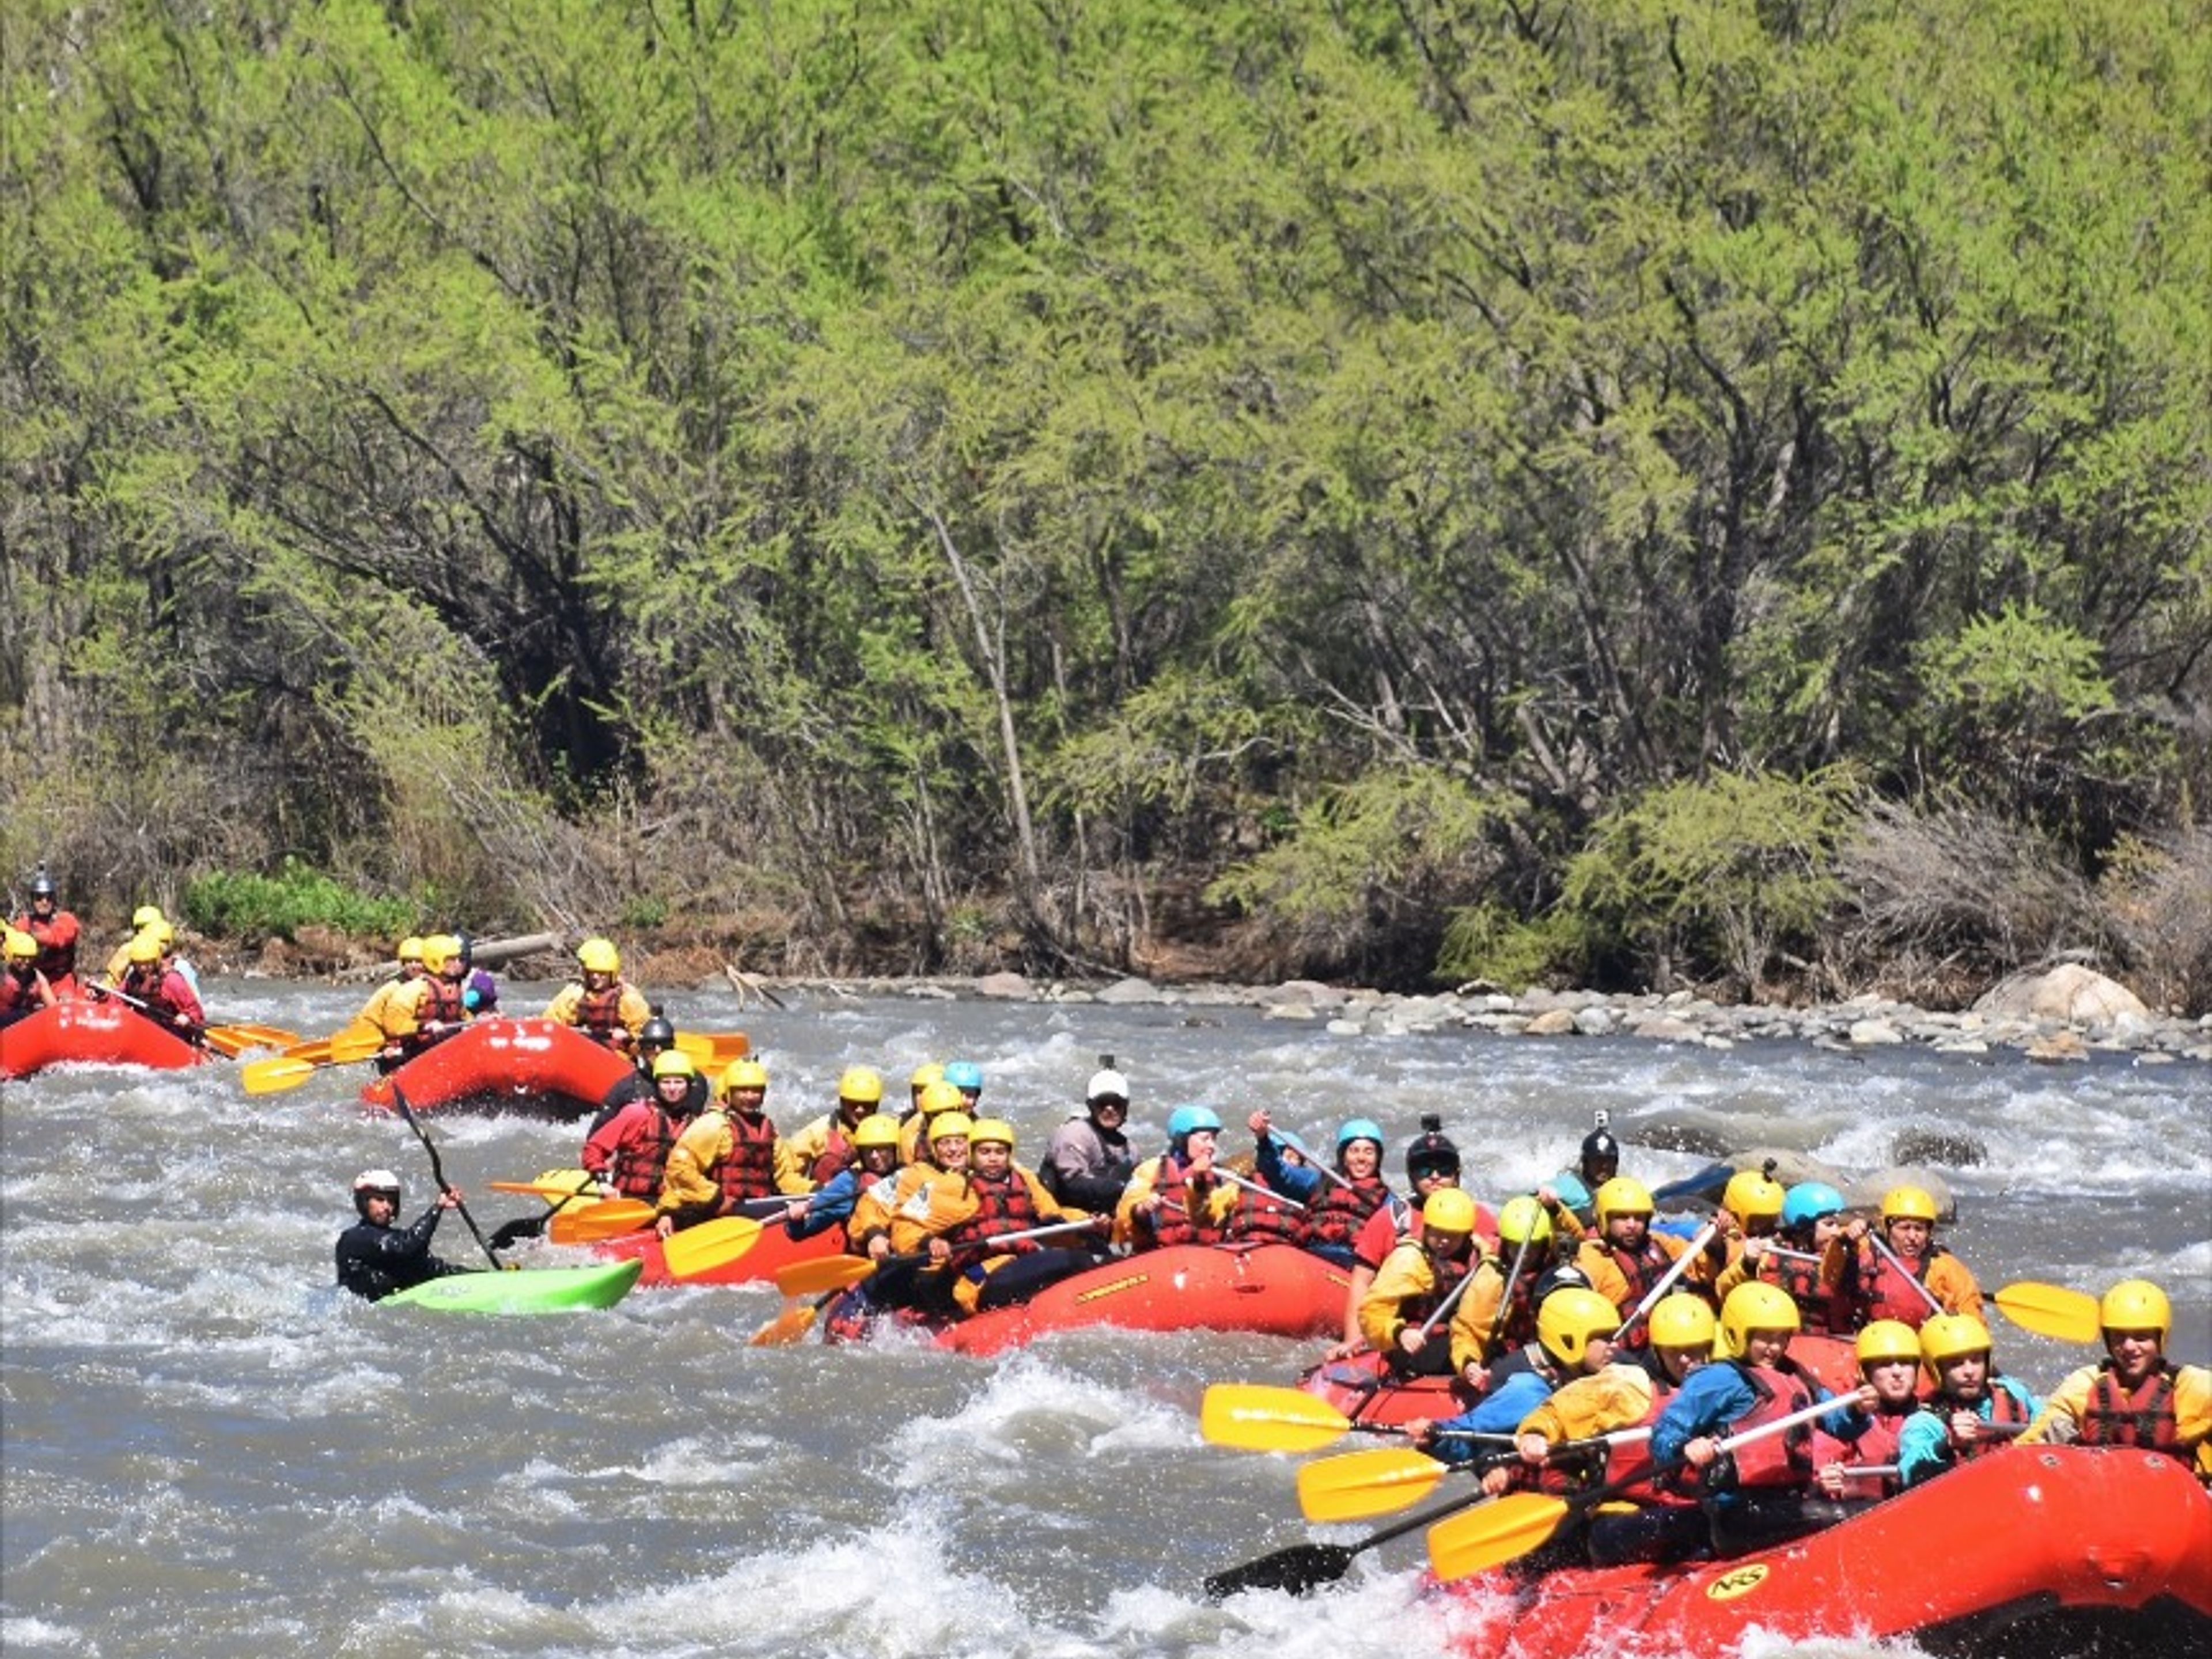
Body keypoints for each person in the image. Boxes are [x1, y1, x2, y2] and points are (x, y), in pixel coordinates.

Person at [1649, 1282, 1872, 1559]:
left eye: (1781, 1337)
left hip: (1791, 1501)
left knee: (1870, 1507)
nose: (1774, 1347)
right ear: (1737, 1334)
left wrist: (1858, 1409)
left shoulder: (1797, 1378)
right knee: (1851, 1515)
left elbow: (1840, 1423)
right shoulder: (1720, 1379)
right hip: (1738, 1514)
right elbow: (1665, 1430)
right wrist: (1685, 1446)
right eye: (1765, 1338)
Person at [1525, 1294, 1722, 1568]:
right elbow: (1557, 1411)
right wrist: (1535, 1434)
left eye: (1696, 1349)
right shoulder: (1626, 1384)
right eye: (1675, 1352)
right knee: (1694, 1523)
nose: (1687, 1360)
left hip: (1685, 1512)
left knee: (1717, 1520)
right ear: (1657, 1351)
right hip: (1620, 1520)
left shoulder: (1721, 1390)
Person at [1407, 1287, 1626, 1491]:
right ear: (1569, 1340)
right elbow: (1473, 1435)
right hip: (1538, 1486)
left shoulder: (1610, 1371)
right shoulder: (1528, 1390)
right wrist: (1437, 1436)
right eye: (1605, 1338)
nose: (1615, 1346)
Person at [889, 1117, 1100, 1316]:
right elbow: (903, 1226)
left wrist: (1088, 1226)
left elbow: (1051, 1222)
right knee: (1075, 1260)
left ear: (1009, 1156)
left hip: (1022, 1263)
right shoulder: (951, 1187)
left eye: (1000, 1152)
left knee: (1096, 1257)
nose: (993, 1159)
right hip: (979, 1281)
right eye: (985, 1152)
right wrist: (931, 1241)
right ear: (972, 1155)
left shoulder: (1023, 1183)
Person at [2019, 1278, 2211, 1480]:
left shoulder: (2192, 1387)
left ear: (2160, 1338)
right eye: (2119, 1336)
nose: (2129, 1347)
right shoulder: (2084, 1384)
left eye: (2141, 1337)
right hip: (2101, 1496)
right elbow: (2032, 1443)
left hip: (2174, 1500)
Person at [654, 1058, 808, 1233]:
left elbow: (785, 1177)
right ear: (729, 1092)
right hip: (713, 1212)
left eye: (756, 1091)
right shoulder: (714, 1124)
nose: (750, 1097)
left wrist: (819, 1190)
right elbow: (679, 1169)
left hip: (751, 1212)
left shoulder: (768, 1130)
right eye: (742, 1091)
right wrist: (715, 1199)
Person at [1573, 1176, 1719, 1350]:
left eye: (1639, 1218)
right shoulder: (1592, 1258)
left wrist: (1715, 1243)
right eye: (1622, 1217)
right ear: (1604, 1220)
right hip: (1624, 1352)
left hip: (1669, 1339)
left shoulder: (1659, 1243)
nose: (1632, 1225)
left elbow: (1700, 1264)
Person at [1897, 1313, 2039, 1487]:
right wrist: (1947, 1444)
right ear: (1936, 1371)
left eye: (1976, 1360)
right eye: (1956, 1364)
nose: (1970, 1371)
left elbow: (2048, 1421)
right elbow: (1908, 1474)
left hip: (2020, 1489)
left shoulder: (2012, 1392)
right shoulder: (1925, 1422)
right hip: (1966, 1503)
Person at [1358, 1188, 1483, 1377]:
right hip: (1412, 1342)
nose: (1444, 1241)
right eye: (1438, 1233)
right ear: (1427, 1228)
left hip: (1459, 1340)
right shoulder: (1409, 1259)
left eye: (1453, 1236)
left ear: (1466, 1236)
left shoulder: (1479, 1256)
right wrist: (1400, 1333)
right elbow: (1373, 1312)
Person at [1448, 1195, 1566, 1378]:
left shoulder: (1560, 1273)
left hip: (1552, 1359)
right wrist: (1469, 1362)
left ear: (1545, 1245)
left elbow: (1578, 1233)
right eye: (1515, 1247)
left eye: (1532, 1247)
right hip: (1509, 1359)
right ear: (1505, 1243)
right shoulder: (1492, 1276)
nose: (1524, 1255)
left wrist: (1555, 1209)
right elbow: (1467, 1329)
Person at [1252, 1113, 1393, 1266]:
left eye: (1369, 1152)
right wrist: (1263, 1139)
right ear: (1343, 1156)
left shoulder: (1387, 1199)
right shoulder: (1319, 1182)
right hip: (1310, 1255)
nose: (1361, 1158)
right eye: (1354, 1151)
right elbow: (1277, 1172)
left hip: (1351, 1263)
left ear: (1378, 1158)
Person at [1808, 1320, 1922, 1507]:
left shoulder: (1935, 1418)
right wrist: (1824, 1481)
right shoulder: (1845, 1420)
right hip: (1866, 1515)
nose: (1897, 1372)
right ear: (1866, 1373)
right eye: (1885, 1364)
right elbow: (1820, 1468)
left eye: (1905, 1363)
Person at [1842, 1185, 1983, 1330]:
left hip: (1921, 1343)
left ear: (1929, 1233)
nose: (1912, 1237)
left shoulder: (1945, 1266)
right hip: (1872, 1339)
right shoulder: (1868, 1248)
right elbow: (1831, 1254)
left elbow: (1971, 1314)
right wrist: (1850, 1232)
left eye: (1919, 1229)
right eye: (1905, 1228)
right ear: (1888, 1229)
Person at [582, 1048, 704, 1200]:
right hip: (629, 1200)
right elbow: (594, 1148)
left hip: (670, 1203)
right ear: (656, 1085)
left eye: (679, 1082)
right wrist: (603, 1183)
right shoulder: (637, 1113)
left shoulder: (695, 1124)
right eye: (666, 1082)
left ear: (689, 1085)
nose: (672, 1088)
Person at [334, 1169, 475, 1301]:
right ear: (364, 1203)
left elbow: (433, 1268)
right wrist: (437, 1208)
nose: (387, 1207)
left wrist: (479, 1275)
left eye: (391, 1201)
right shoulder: (354, 1238)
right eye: (379, 1200)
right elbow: (407, 1247)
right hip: (367, 1312)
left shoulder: (395, 1238)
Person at [1116, 1105, 1237, 1250]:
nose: (1212, 1146)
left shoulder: (1219, 1176)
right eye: (1205, 1139)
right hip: (1157, 1251)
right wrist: (1142, 1209)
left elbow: (1213, 1212)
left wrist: (1199, 1181)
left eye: (1214, 1139)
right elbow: (1124, 1218)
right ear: (1182, 1140)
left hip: (1202, 1250)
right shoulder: (1151, 1169)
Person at [786, 1113, 906, 1244]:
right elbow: (800, 1231)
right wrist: (796, 1220)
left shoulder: (911, 1175)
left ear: (895, 1150)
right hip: (868, 1257)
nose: (874, 1156)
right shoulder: (849, 1183)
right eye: (868, 1150)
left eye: (882, 1149)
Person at [1040, 1067, 1138, 1212]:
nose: (1109, 1109)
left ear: (1125, 1107)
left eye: (1116, 1103)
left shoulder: (1131, 1150)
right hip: (1066, 1216)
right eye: (1102, 1103)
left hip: (1105, 1218)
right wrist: (1120, 1187)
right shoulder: (1074, 1133)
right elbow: (1072, 1186)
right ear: (1091, 1106)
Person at [543, 938, 653, 1052]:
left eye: (601, 973)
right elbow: (549, 1025)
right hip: (580, 1053)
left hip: (616, 1058)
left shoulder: (628, 999)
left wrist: (628, 1038)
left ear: (612, 974)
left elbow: (646, 1038)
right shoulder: (573, 995)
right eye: (592, 972)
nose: (595, 977)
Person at [786, 1066, 888, 1187]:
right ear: (843, 1102)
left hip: (868, 1196)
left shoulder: (887, 1131)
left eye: (867, 1105)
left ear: (876, 1105)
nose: (860, 1110)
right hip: (827, 1197)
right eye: (853, 1104)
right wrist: (815, 1188)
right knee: (830, 1162)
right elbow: (787, 1174)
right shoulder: (820, 1130)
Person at [587, 1013, 680, 1134]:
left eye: (665, 1045)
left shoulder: (694, 1085)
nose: (658, 1051)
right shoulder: (625, 1089)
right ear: (641, 1049)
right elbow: (596, 1137)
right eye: (650, 1045)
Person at [109, 930, 205, 1043]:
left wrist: (188, 1017)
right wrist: (100, 994)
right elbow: (116, 999)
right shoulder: (133, 979)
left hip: (174, 1037)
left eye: (147, 963)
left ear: (156, 960)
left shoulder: (171, 981)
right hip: (147, 1035)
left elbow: (196, 1011)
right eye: (139, 964)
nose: (143, 968)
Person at [394, 934, 472, 1060]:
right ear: (436, 961)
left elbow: (464, 1017)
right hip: (415, 1054)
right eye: (451, 959)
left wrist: (481, 1022)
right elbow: (395, 1025)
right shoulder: (413, 990)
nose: (458, 964)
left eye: (459, 959)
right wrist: (423, 1026)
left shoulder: (455, 988)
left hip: (444, 1051)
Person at [12, 870, 81, 997]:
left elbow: (58, 938)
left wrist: (33, 936)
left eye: (48, 897)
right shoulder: (23, 924)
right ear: (32, 900)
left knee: (66, 1003)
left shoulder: (66, 919)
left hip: (61, 979)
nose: (44, 902)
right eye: (39, 898)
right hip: (34, 979)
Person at [0, 928, 58, 1027]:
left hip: (22, 1023)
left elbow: (54, 1008)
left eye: (30, 958)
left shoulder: (37, 977)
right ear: (10, 955)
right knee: (24, 1015)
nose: (27, 962)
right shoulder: (2, 974)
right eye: (21, 957)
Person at [452, 930, 499, 1014]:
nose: (456, 963)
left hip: (480, 1022)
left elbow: (471, 999)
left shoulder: (482, 979)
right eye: (451, 959)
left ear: (468, 960)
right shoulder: (441, 978)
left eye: (461, 959)